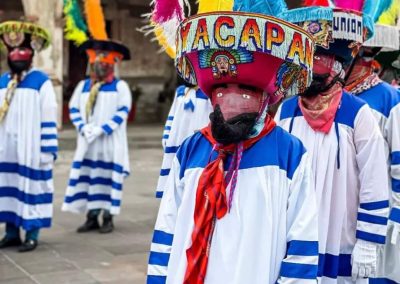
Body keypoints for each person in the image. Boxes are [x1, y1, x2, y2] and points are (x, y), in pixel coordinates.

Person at [147, 1, 320, 283]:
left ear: (265, 98)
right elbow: (166, 227)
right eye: (222, 88)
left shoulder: (289, 152)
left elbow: (301, 240)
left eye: (246, 89)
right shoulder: (191, 148)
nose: (231, 99)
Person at [277, 2, 390, 282]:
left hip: (342, 234)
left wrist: (368, 241)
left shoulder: (358, 113)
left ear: (338, 69)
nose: (310, 75)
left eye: (319, 69)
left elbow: (374, 179)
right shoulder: (286, 110)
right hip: (291, 233)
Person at [344, 7, 400, 282]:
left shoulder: (390, 99)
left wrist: (393, 219)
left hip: (378, 221)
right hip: (337, 215)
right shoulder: (321, 100)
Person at [62, 39, 131, 234]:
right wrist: (83, 127)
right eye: (97, 62)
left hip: (109, 143)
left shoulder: (120, 87)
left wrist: (102, 129)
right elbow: (73, 108)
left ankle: (108, 217)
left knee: (108, 177)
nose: (101, 66)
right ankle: (92, 216)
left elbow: (123, 111)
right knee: (90, 177)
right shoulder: (83, 86)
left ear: (112, 65)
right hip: (88, 143)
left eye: (105, 63)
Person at [0, 20, 57, 252]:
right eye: (12, 50)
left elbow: (49, 115)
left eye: (22, 50)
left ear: (32, 53)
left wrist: (47, 149)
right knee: (9, 187)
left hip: (31, 150)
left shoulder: (41, 81)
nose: (17, 54)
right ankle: (11, 232)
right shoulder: (3, 81)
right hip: (6, 149)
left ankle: (32, 233)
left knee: (32, 188)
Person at [156, 84, 212, 198]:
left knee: (196, 179)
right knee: (176, 181)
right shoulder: (181, 92)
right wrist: (166, 138)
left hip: (201, 142)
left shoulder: (210, 92)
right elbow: (172, 116)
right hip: (178, 141)